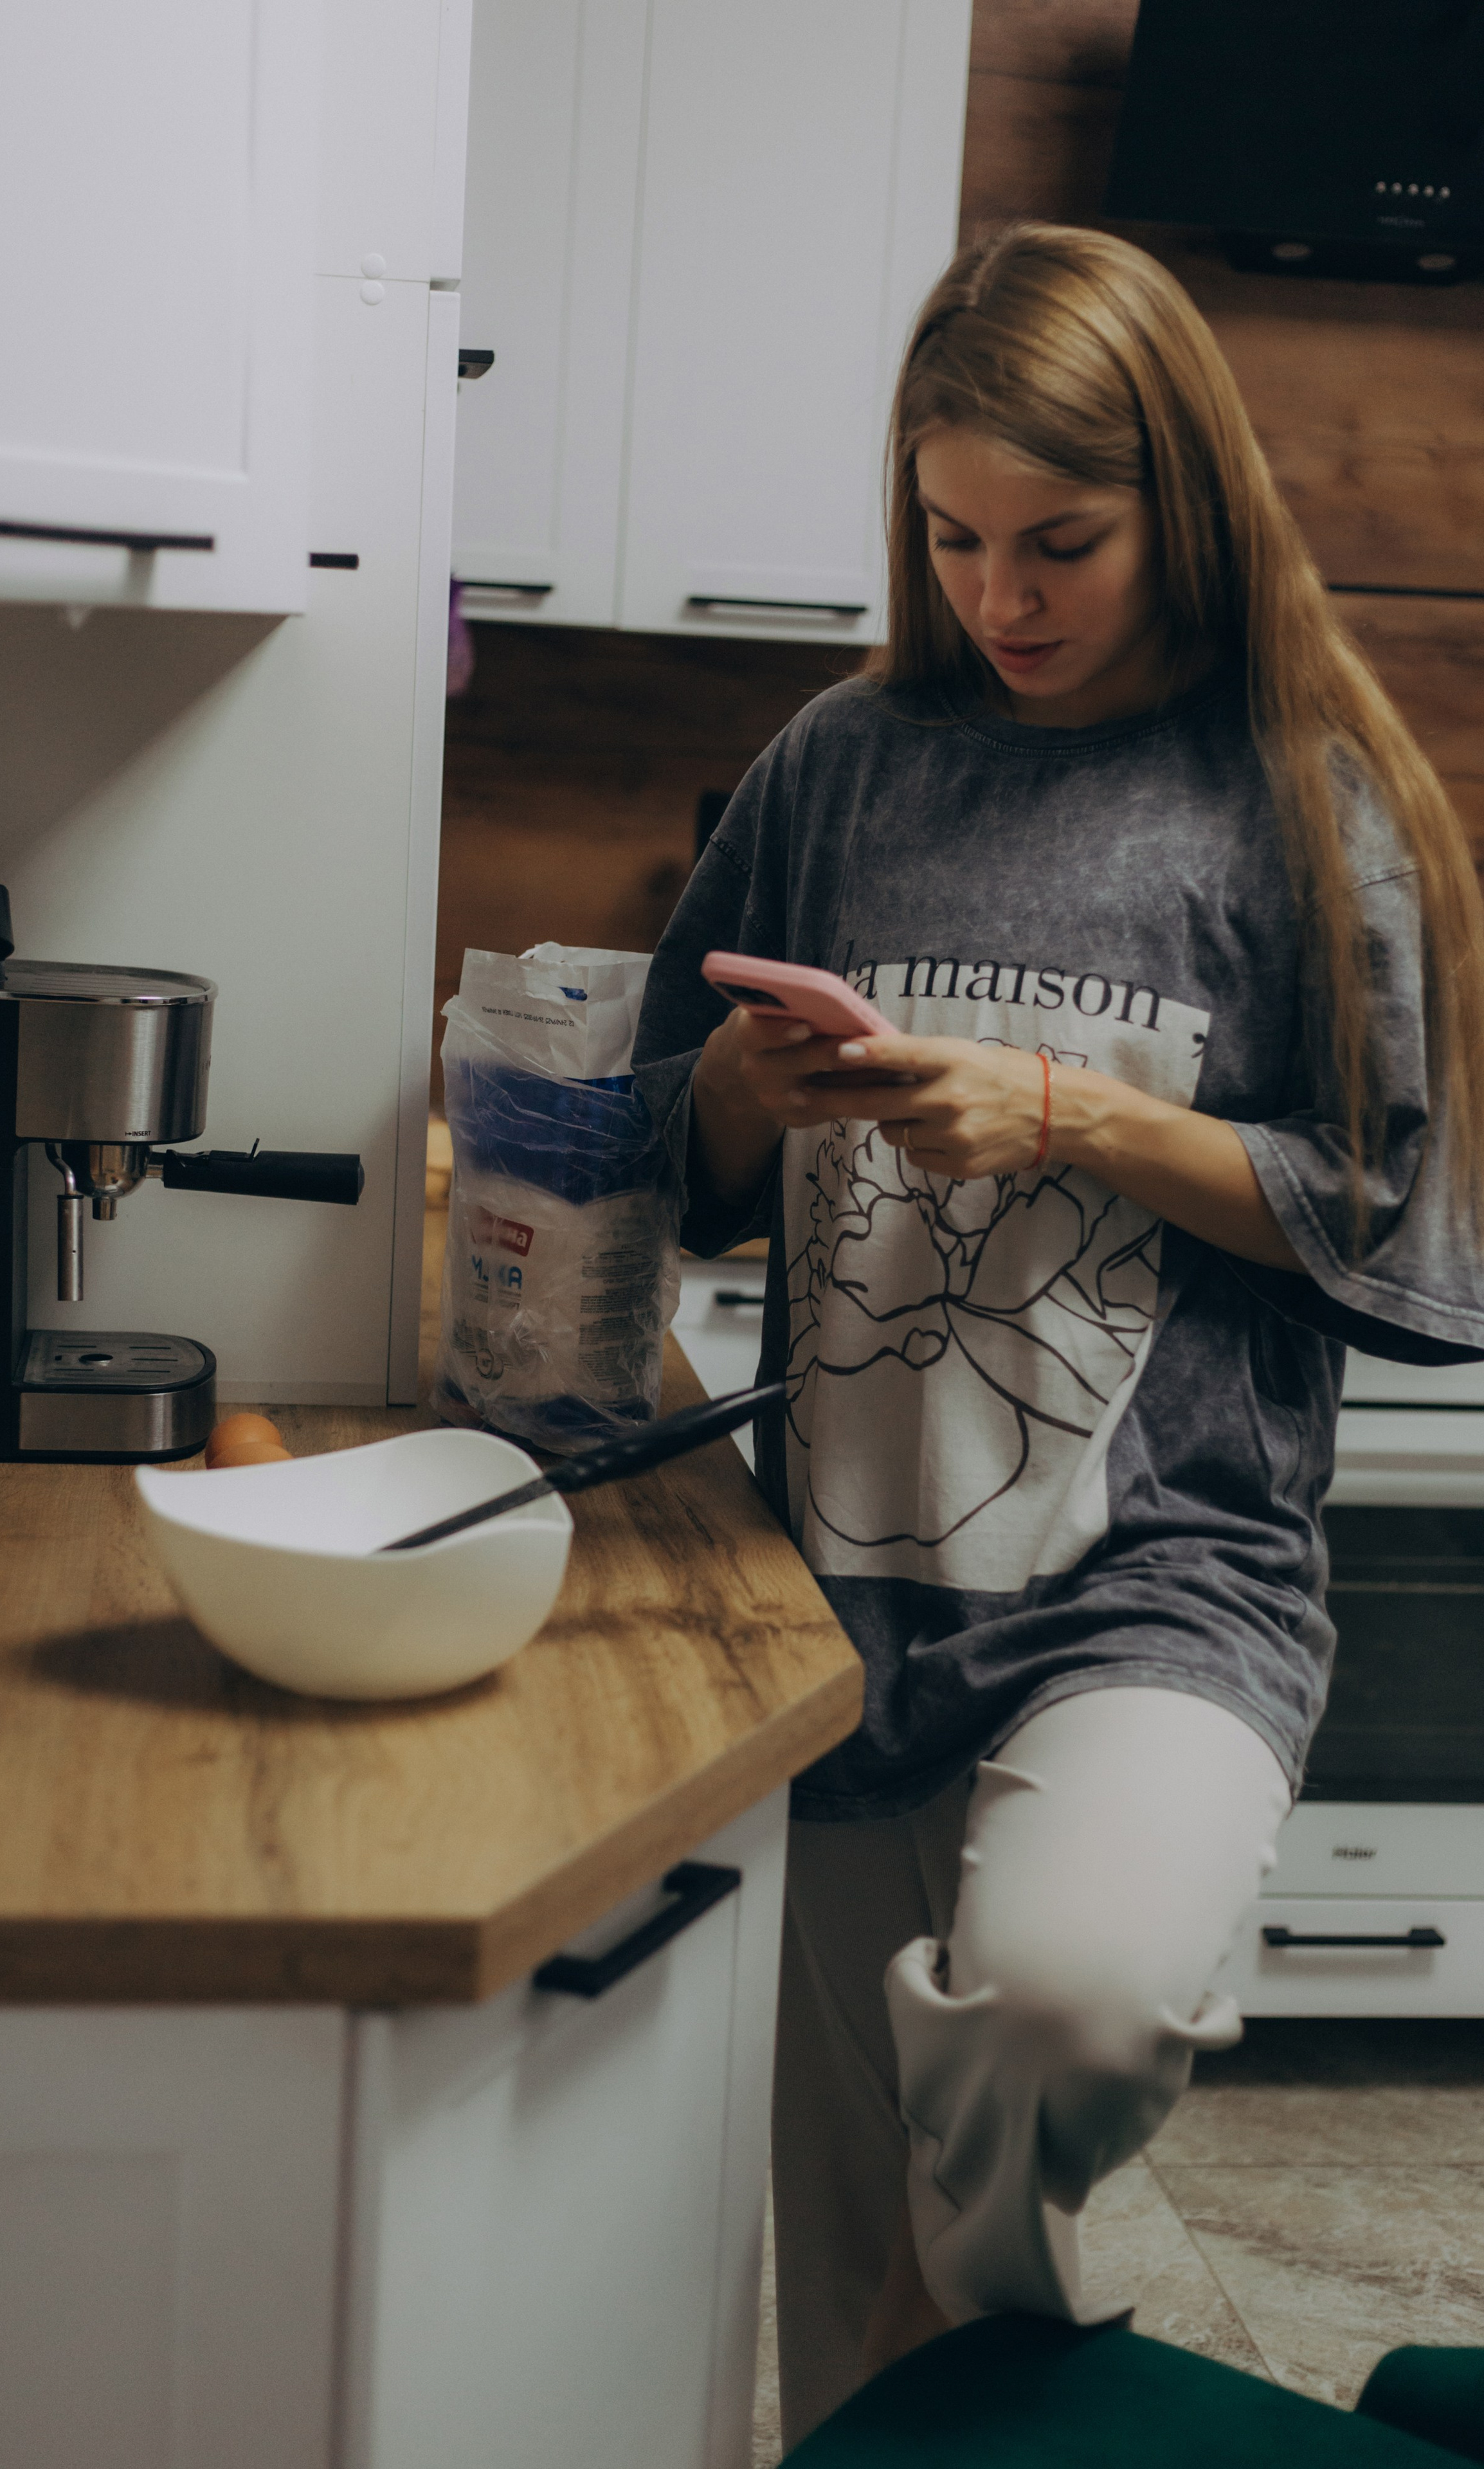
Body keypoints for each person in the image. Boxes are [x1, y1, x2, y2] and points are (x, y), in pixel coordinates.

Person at [629, 221, 1484, 2452]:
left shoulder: (1311, 798)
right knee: (839, 2290)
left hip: (1158, 1587)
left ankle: (1029, 2338)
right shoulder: (841, 760)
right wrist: (743, 1092)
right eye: (954, 535)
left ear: (1182, 504)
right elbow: (657, 1157)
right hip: (830, 1592)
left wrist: (1078, 1118)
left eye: (1063, 542)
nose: (1002, 594)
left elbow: (1410, 1249)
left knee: (1069, 2012)